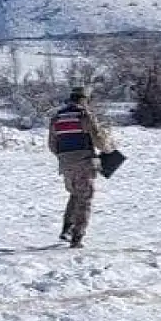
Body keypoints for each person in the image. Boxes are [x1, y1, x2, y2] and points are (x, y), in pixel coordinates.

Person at [47, 87, 116, 248]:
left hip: (66, 164)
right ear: (84, 99)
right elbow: (99, 140)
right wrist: (109, 150)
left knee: (75, 194)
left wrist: (64, 157)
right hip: (84, 162)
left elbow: (52, 145)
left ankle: (67, 228)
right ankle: (77, 237)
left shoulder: (57, 117)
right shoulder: (84, 116)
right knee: (85, 199)